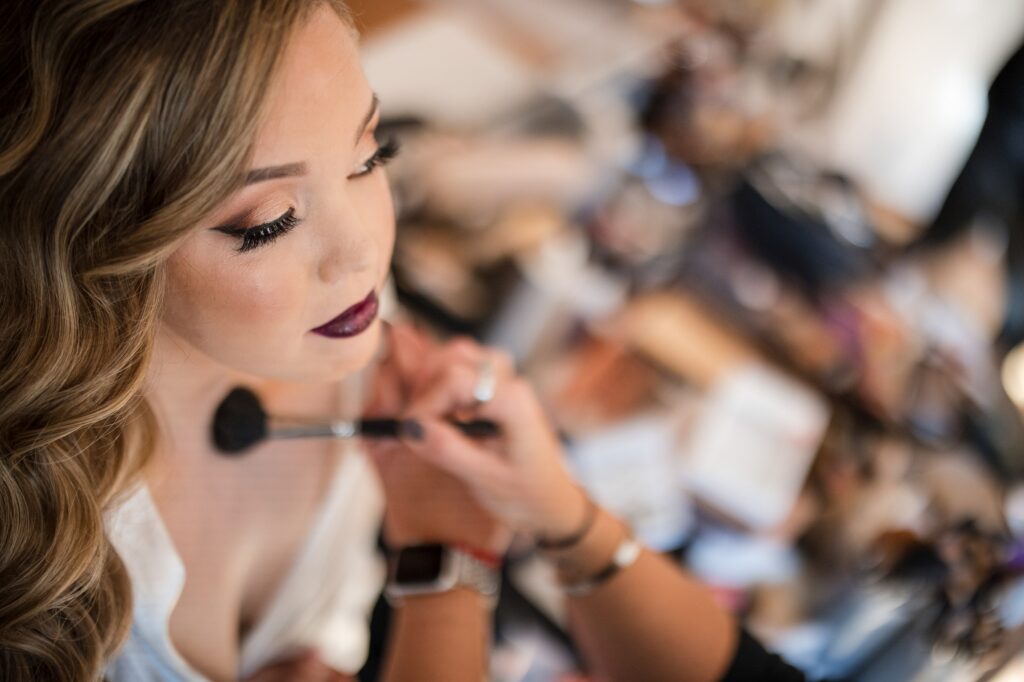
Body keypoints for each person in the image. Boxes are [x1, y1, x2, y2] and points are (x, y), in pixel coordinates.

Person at [0, 2, 803, 681]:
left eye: (369, 154)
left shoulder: (356, 353)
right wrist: (452, 568)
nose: (362, 256)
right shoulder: (50, 556)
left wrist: (560, 518)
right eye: (267, 221)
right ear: (95, 240)